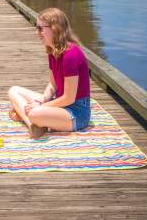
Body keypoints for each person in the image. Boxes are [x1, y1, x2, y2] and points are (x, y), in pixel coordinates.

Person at [8, 8, 91, 139]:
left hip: (76, 113)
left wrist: (40, 105)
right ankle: (33, 125)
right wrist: (43, 99)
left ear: (55, 28)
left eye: (41, 28)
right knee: (14, 91)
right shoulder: (53, 51)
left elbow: (69, 98)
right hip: (59, 105)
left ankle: (34, 119)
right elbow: (53, 85)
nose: (37, 33)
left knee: (35, 113)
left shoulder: (71, 54)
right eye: (37, 28)